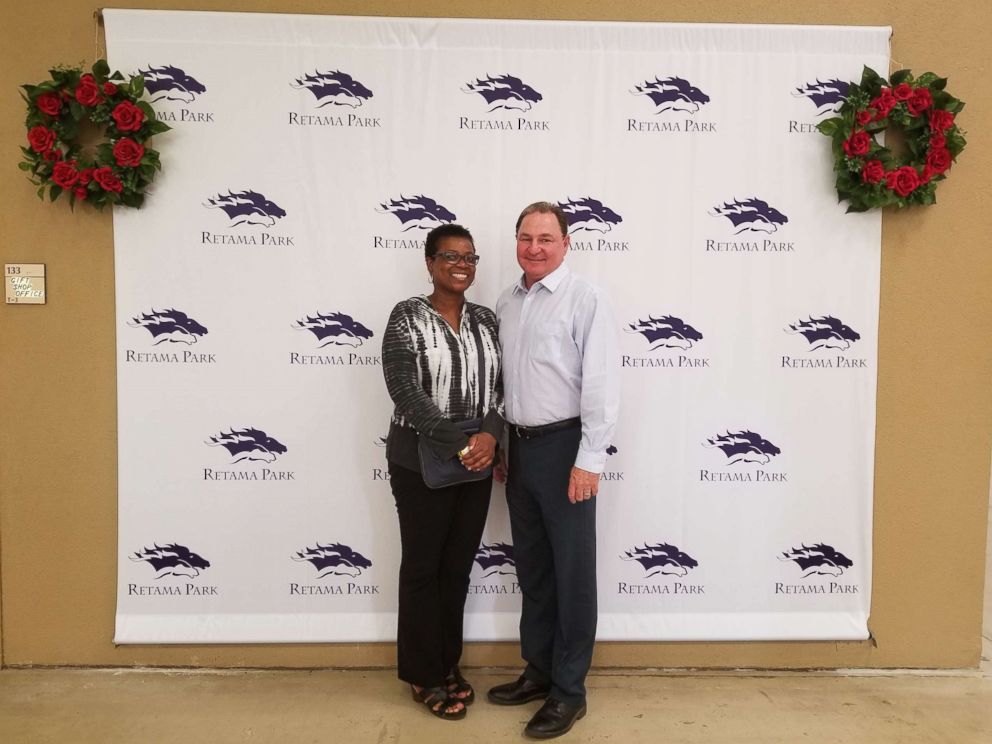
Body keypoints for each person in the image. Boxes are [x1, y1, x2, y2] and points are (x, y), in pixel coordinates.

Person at [488, 202, 620, 739]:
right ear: (515, 242)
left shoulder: (585, 299)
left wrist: (588, 461)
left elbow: (603, 385)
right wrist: (500, 443)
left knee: (572, 576)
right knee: (535, 571)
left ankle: (570, 691)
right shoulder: (506, 301)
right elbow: (506, 382)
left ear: (566, 243)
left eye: (546, 237)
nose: (534, 247)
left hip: (566, 449)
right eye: (525, 237)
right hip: (519, 451)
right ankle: (538, 671)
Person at [381, 223, 503, 720]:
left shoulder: (488, 320)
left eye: (470, 257)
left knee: (456, 569)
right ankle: (422, 674)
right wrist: (460, 443)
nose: (462, 264)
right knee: (423, 569)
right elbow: (404, 389)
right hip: (420, 459)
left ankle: (447, 664)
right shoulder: (407, 316)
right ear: (429, 262)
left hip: (477, 458)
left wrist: (489, 436)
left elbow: (501, 388)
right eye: (451, 255)